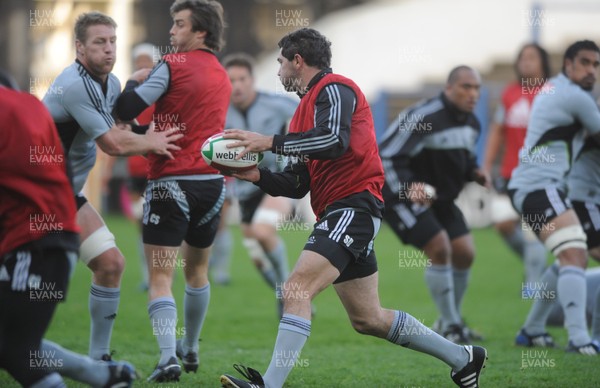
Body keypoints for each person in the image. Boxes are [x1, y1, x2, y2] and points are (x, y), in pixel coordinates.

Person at [219, 28, 487, 388]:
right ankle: (464, 358)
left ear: (298, 61)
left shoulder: (335, 88)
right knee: (368, 319)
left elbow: (334, 140)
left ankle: (269, 384)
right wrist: (253, 174)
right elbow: (298, 183)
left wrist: (269, 141)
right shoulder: (301, 114)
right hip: (340, 211)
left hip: (354, 206)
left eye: (281, 63)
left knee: (297, 289)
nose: (279, 70)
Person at [42, 11, 181, 363]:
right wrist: (155, 140)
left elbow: (124, 126)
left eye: (113, 41)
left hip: (66, 196)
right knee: (38, 288)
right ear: (79, 47)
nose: (109, 50)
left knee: (111, 264)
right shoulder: (75, 84)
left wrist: (137, 89)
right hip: (36, 198)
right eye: (99, 42)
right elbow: (113, 144)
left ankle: (99, 359)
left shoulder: (111, 82)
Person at [116, 0, 231, 381]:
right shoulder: (221, 73)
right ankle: (192, 347)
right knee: (197, 272)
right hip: (213, 187)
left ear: (200, 31)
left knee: (161, 276)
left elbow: (127, 105)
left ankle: (167, 357)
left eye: (179, 24)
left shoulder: (171, 65)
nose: (171, 32)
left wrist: (135, 78)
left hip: (170, 183)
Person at [0, 78, 136, 388]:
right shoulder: (31, 105)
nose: (108, 49)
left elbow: (111, 143)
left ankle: (99, 366)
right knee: (14, 343)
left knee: (17, 349)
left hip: (31, 241)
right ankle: (101, 371)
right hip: (55, 227)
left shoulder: (56, 96)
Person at [379, 65, 489, 344]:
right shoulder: (422, 117)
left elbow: (464, 162)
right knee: (440, 247)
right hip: (401, 196)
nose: (472, 93)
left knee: (465, 253)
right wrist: (408, 187)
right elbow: (385, 156)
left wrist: (474, 173)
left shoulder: (472, 123)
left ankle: (449, 319)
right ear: (448, 88)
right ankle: (452, 325)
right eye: (466, 86)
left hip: (440, 200)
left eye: (476, 88)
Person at [508, 40, 600, 354]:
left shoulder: (555, 90)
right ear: (568, 65)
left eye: (596, 65)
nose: (591, 70)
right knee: (576, 253)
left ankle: (533, 330)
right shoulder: (573, 96)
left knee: (567, 257)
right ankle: (579, 340)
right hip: (538, 186)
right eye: (585, 63)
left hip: (536, 187)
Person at [222, 53, 298, 316]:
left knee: (263, 231)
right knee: (257, 256)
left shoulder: (276, 105)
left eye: (242, 79)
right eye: (231, 80)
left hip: (279, 182)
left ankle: (291, 295)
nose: (237, 85)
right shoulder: (219, 112)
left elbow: (310, 117)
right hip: (243, 190)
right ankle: (286, 293)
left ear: (252, 80)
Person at [483, 44, 550, 287]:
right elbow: (497, 130)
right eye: (522, 57)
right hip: (510, 173)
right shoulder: (510, 93)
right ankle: (537, 266)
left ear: (543, 61)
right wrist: (486, 164)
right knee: (502, 223)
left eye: (532, 57)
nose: (526, 62)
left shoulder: (552, 92)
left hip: (541, 175)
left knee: (533, 230)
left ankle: (532, 287)